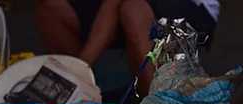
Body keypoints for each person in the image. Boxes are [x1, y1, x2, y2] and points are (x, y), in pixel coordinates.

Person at [36, 0, 218, 94]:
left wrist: (81, 65)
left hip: (189, 6)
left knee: (132, 9)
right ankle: (78, 97)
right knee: (53, 8)